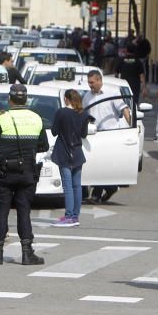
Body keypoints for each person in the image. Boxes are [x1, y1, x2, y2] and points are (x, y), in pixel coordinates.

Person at [0, 84, 50, 265]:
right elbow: (44, 145)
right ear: (26, 99)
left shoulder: (2, 119)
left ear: (10, 99)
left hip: (4, 172)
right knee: (24, 212)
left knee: (1, 212)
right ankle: (27, 253)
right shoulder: (36, 119)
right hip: (27, 172)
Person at [82, 69, 131, 204]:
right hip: (94, 135)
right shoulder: (87, 96)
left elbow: (124, 110)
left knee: (103, 165)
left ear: (99, 80)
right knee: (96, 165)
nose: (90, 85)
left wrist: (132, 128)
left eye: (92, 82)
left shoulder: (112, 92)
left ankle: (96, 195)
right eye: (89, 83)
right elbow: (84, 114)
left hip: (110, 135)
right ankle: (110, 187)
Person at [51, 89, 87, 227]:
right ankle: (75, 216)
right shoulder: (83, 113)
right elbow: (84, 134)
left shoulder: (61, 112)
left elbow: (54, 132)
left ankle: (69, 216)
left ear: (66, 99)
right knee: (77, 185)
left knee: (68, 186)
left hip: (64, 152)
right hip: (78, 152)